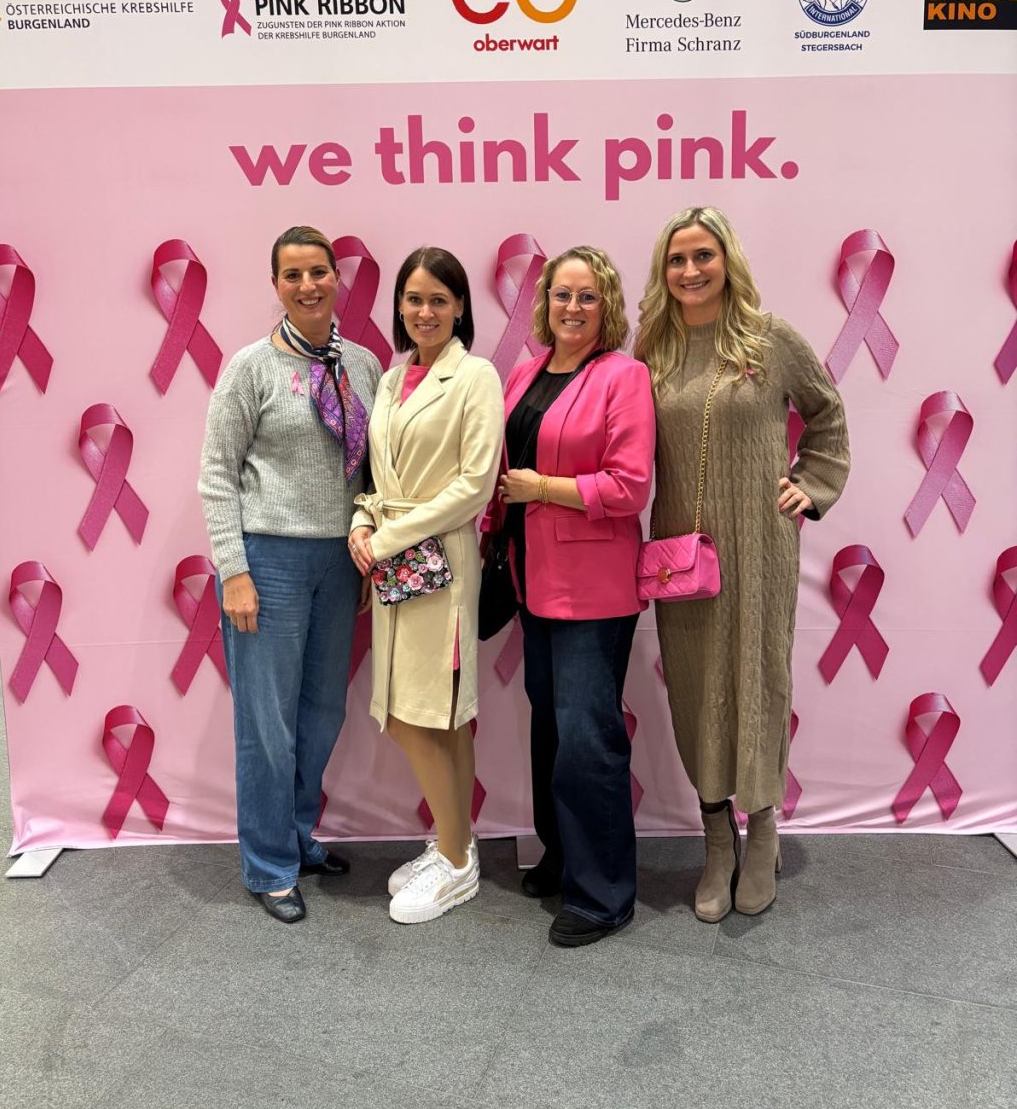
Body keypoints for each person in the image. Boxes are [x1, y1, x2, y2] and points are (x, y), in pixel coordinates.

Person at [634, 207, 849, 921]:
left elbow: (827, 414)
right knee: (695, 686)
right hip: (680, 553)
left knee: (757, 677)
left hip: (760, 542)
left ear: (727, 260)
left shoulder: (769, 337)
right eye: (677, 259)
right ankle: (717, 839)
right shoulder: (654, 348)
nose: (690, 270)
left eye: (704, 255)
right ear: (664, 271)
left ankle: (763, 831)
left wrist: (812, 483)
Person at [199, 225, 381, 924]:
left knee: (322, 710)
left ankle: (300, 835)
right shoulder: (249, 368)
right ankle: (269, 863)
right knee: (267, 721)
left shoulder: (362, 365)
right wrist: (233, 570)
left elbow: (369, 471)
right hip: (268, 562)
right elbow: (217, 474)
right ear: (275, 285)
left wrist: (363, 548)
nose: (308, 285)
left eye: (318, 272)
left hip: (338, 561)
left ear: (337, 278)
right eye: (293, 275)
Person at [487, 245, 655, 947]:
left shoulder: (624, 376)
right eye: (562, 294)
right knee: (551, 730)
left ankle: (604, 893)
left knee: (588, 738)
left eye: (588, 296)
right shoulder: (524, 372)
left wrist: (544, 488)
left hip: (593, 590)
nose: (573, 307)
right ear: (545, 301)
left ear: (606, 305)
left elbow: (630, 486)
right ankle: (562, 856)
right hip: (532, 580)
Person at [349, 247, 503, 926]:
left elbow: (474, 485)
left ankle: (456, 860)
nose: (425, 311)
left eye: (439, 299)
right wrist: (364, 519)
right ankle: (454, 842)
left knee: (423, 710)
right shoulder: (391, 379)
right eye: (414, 298)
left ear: (461, 306)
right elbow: (378, 475)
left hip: (440, 564)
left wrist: (386, 538)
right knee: (438, 713)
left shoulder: (475, 376)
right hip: (393, 564)